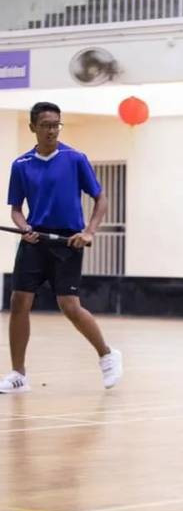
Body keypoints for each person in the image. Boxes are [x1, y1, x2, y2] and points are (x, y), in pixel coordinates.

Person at [1, 102, 122, 394]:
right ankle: (19, 374)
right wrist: (25, 227)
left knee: (69, 306)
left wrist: (89, 231)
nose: (52, 130)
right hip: (34, 240)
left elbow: (100, 198)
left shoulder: (75, 158)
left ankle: (107, 354)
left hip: (68, 240)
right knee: (19, 302)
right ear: (33, 127)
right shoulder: (21, 165)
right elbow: (16, 210)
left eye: (56, 124)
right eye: (45, 125)